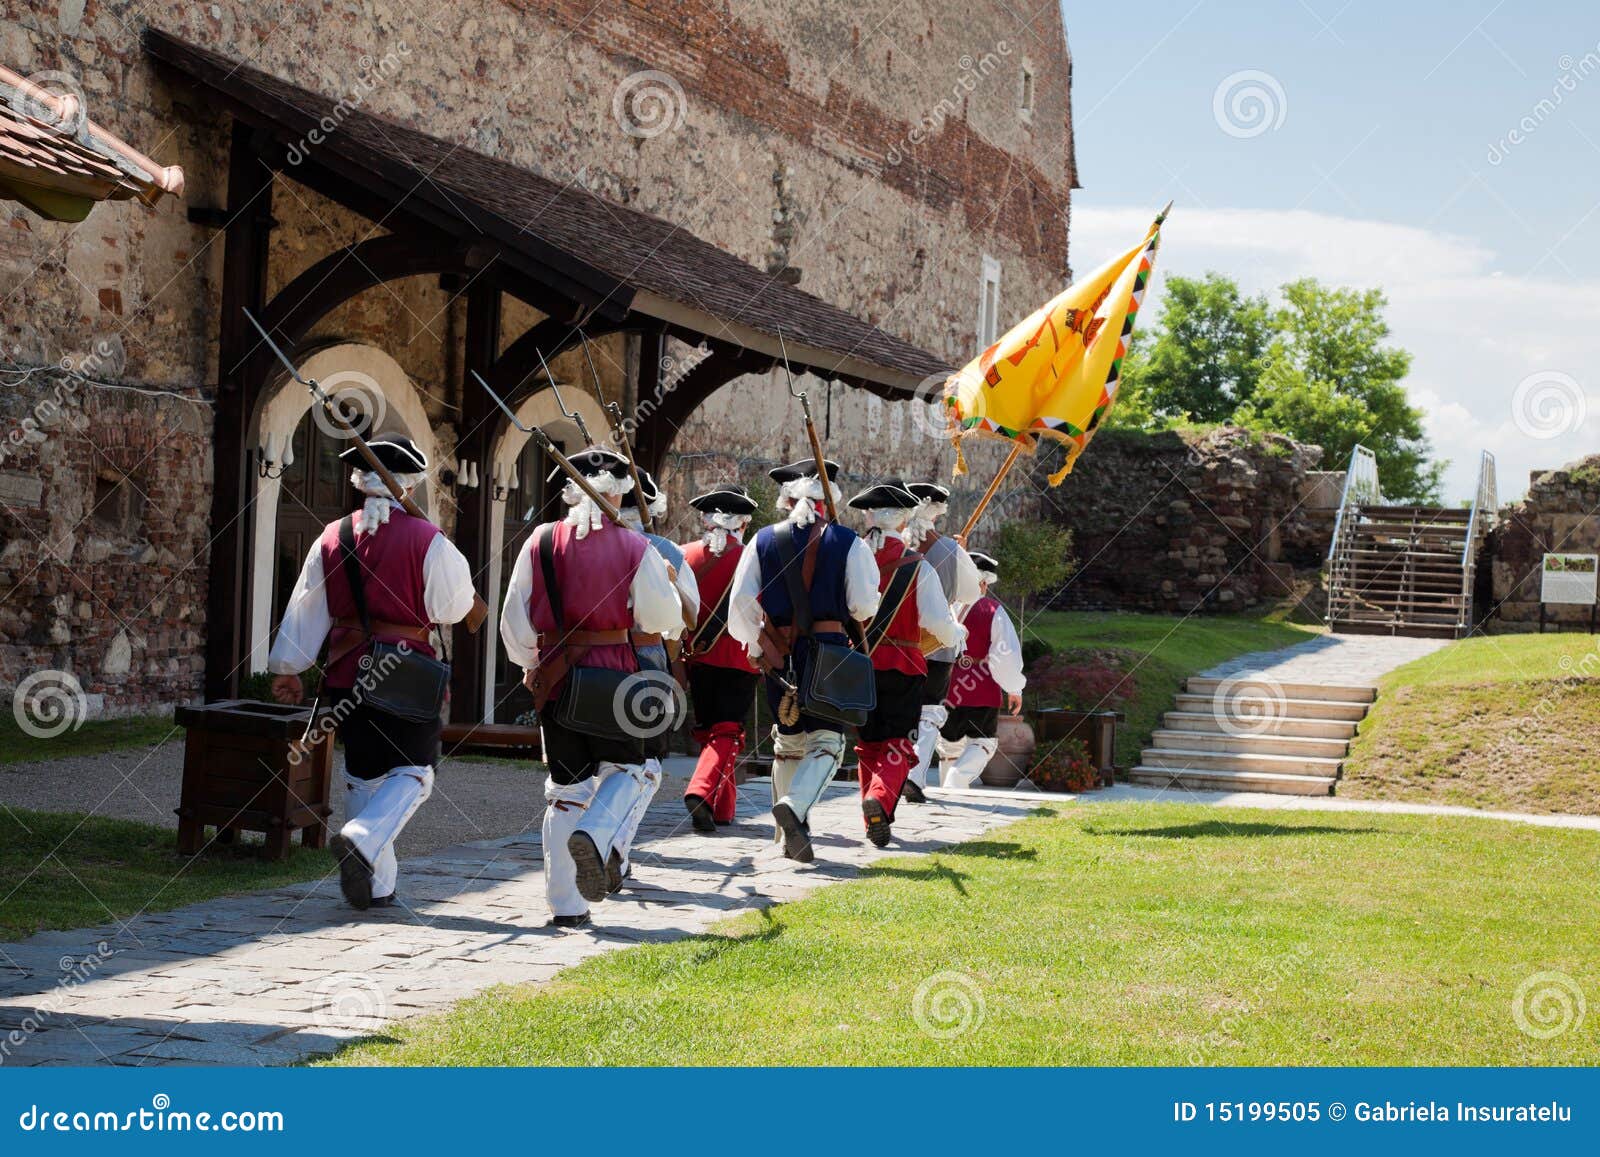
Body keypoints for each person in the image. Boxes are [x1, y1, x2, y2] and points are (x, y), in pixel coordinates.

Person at [269, 436, 477, 911]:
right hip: (406, 672)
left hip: (345, 675)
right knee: (416, 772)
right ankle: (361, 838)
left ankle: (375, 885)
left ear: (362, 483)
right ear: (410, 483)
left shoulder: (332, 535)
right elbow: (454, 608)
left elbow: (306, 611)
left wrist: (288, 668)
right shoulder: (429, 540)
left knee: (363, 776)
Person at [500, 447, 682, 927]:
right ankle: (598, 835)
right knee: (628, 768)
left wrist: (530, 664)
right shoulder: (635, 547)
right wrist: (659, 583)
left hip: (556, 682)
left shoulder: (539, 541)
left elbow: (514, 619)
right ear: (620, 492)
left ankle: (566, 905)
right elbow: (661, 619)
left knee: (564, 791)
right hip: (617, 681)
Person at [726, 458, 881, 862]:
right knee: (827, 744)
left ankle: (784, 836)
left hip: (778, 653)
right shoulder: (848, 542)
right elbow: (863, 606)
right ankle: (794, 809)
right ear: (829, 498)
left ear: (785, 497)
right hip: (828, 653)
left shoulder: (761, 540)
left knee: (788, 743)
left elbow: (741, 603)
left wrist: (757, 643)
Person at [849, 480, 965, 847]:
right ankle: (879, 801)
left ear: (870, 516)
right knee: (898, 744)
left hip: (858, 666)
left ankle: (873, 816)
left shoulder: (852, 561)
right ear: (903, 522)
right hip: (903, 666)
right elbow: (938, 623)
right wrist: (955, 634)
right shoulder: (918, 566)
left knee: (868, 745)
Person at [608, 466, 698, 884]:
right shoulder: (663, 550)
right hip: (645, 660)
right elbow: (684, 620)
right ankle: (614, 846)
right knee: (645, 765)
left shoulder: (567, 541)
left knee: (594, 768)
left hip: (581, 661)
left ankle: (603, 844)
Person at [678, 483, 761, 832]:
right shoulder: (751, 558)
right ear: (742, 523)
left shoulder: (682, 554)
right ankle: (699, 790)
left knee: (712, 731)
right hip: (740, 657)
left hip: (698, 657)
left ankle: (722, 808)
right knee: (727, 732)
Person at [898, 481, 982, 804]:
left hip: (900, 641)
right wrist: (958, 555)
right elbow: (972, 593)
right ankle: (914, 776)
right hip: (938, 643)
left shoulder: (894, 545)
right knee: (930, 712)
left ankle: (892, 774)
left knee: (900, 709)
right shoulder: (950, 550)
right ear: (937, 512)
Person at [936, 550, 1026, 789]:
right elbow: (1005, 654)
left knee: (949, 744)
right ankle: (955, 782)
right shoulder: (992, 610)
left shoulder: (944, 606)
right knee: (983, 742)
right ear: (984, 582)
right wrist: (1015, 688)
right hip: (981, 688)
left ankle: (949, 789)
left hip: (944, 687)